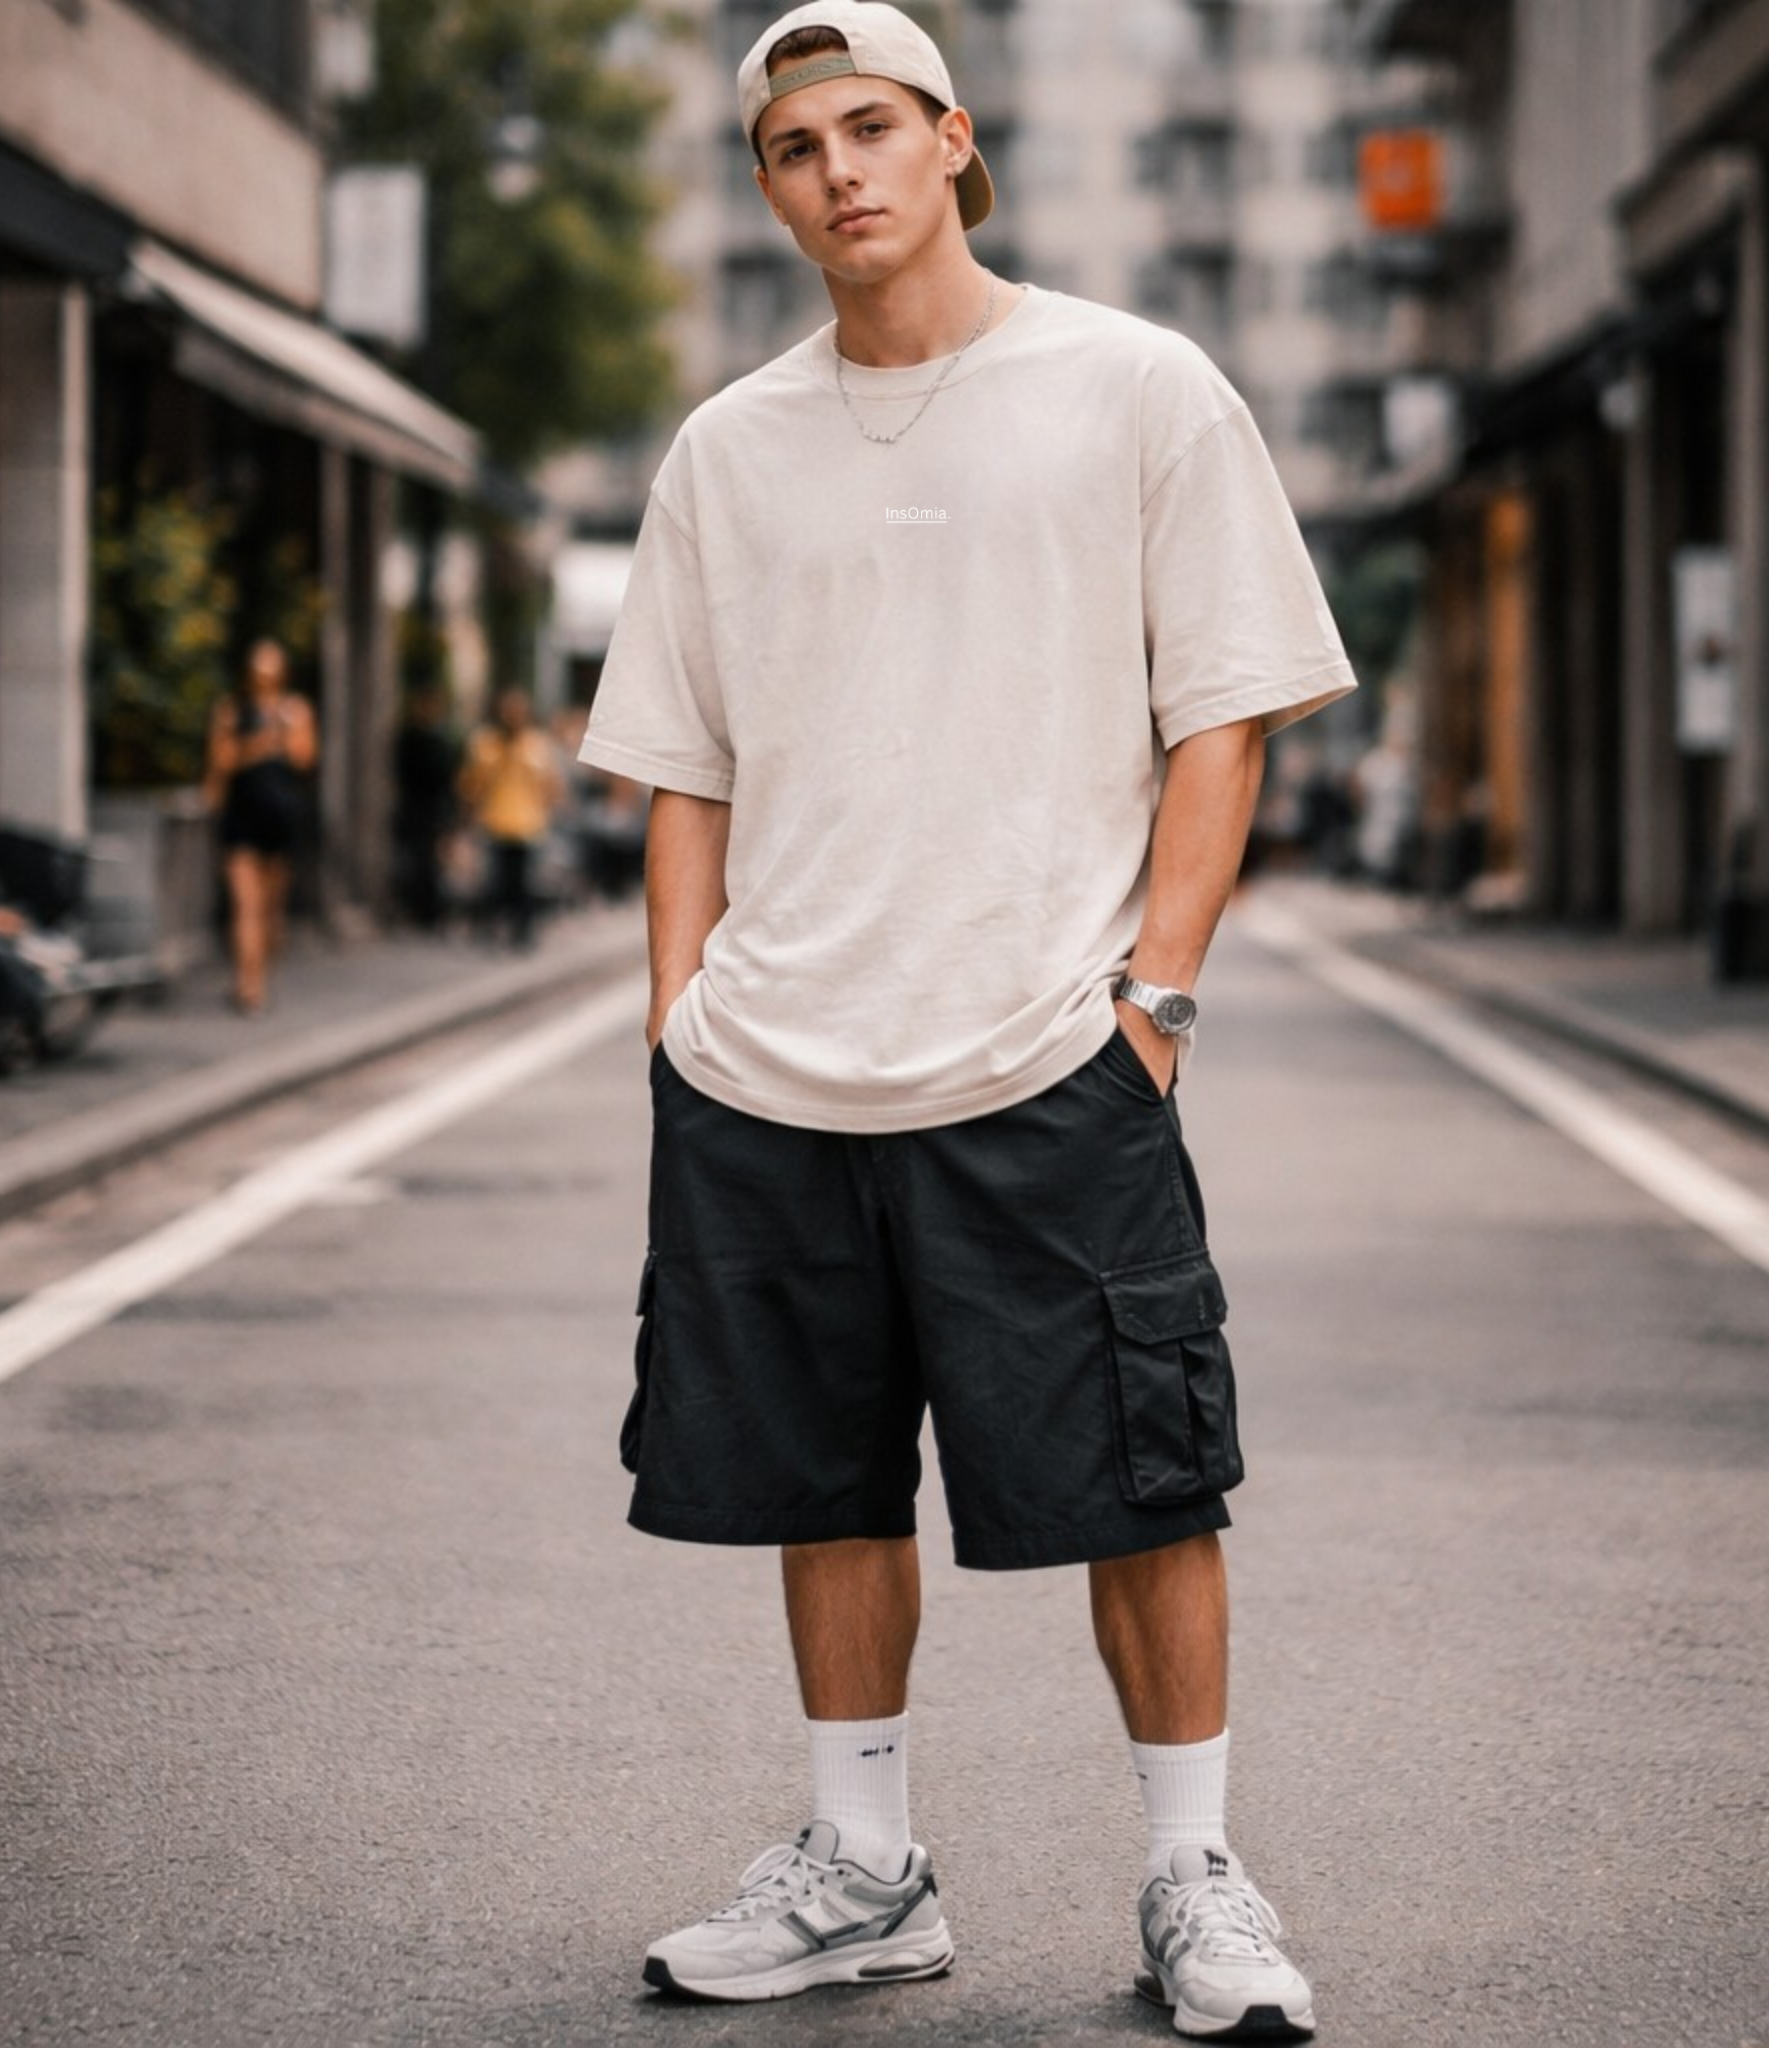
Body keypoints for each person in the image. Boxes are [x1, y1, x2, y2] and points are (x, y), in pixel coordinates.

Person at [578, 5, 1356, 2038]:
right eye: (785, 147)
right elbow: (682, 767)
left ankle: (1193, 1879)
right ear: (764, 188)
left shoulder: (1133, 390)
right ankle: (861, 1867)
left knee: (1139, 1474)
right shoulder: (725, 447)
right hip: (770, 1067)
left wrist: (1152, 1001)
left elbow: (1224, 713)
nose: (829, 171)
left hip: (1048, 1051)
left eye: (864, 128)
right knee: (818, 1475)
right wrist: (677, 1021)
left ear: (948, 141)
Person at [204, 637, 317, 1015]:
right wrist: (263, 742)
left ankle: (259, 973)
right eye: (258, 666)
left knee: (270, 912)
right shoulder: (233, 711)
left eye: (271, 666)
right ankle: (247, 985)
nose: (264, 674)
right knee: (245, 907)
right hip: (242, 818)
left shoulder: (295, 709)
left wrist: (282, 735)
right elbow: (222, 759)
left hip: (280, 819)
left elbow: (304, 758)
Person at [457, 687, 563, 950]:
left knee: (524, 881)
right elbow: (471, 784)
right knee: (496, 881)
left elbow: (551, 785)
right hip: (495, 821)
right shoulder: (486, 744)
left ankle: (522, 930)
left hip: (528, 823)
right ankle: (493, 927)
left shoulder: (536, 745)